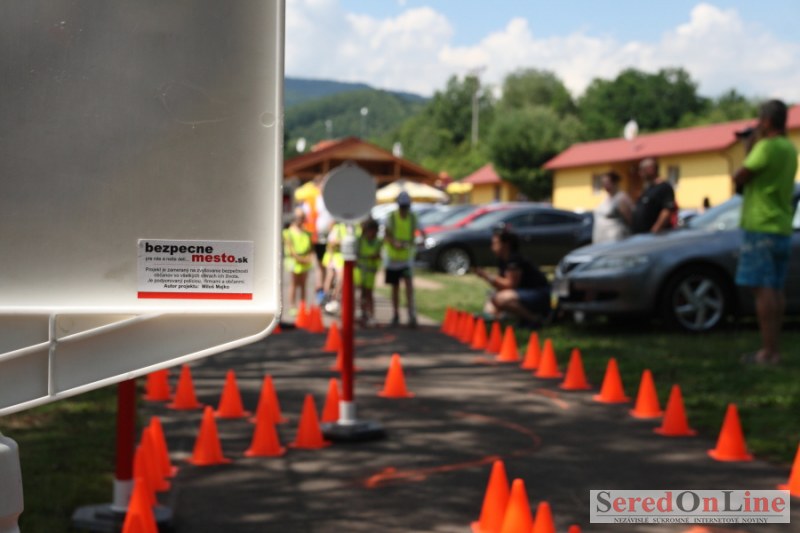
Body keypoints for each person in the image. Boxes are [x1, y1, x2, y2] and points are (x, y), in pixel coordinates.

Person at [732, 99, 798, 365]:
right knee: (776, 289)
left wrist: (749, 147)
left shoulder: (766, 147)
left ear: (768, 121)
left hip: (761, 225)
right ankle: (774, 348)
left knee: (762, 289)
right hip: (781, 225)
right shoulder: (790, 148)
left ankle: (768, 352)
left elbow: (740, 176)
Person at [474, 226, 551, 327]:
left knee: (500, 298)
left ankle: (534, 319)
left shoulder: (514, 260)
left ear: (506, 244)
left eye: (495, 243)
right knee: (493, 299)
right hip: (524, 293)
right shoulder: (503, 260)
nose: (492, 247)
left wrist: (487, 276)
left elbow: (510, 285)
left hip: (539, 293)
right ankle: (495, 319)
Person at [384, 191, 424, 327]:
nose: (404, 210)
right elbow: (386, 235)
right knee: (395, 287)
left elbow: (422, 232)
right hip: (393, 259)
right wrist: (394, 243)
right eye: (402, 207)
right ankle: (395, 314)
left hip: (406, 259)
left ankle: (411, 315)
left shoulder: (413, 218)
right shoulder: (391, 217)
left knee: (409, 287)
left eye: (405, 207)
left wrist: (422, 240)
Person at [282, 207, 314, 317]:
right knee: (294, 284)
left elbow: (310, 248)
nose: (301, 220)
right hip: (295, 261)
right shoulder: (288, 232)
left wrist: (308, 258)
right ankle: (292, 306)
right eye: (299, 217)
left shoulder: (306, 232)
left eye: (303, 217)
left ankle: (303, 306)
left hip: (304, 261)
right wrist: (301, 259)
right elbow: (291, 250)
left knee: (303, 284)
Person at [631, 158, 676, 234]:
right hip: (642, 234)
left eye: (642, 170)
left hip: (655, 236)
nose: (640, 173)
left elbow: (667, 210)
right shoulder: (648, 188)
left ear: (650, 169)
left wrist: (656, 229)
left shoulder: (664, 187)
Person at [592, 170, 634, 243]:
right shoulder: (606, 198)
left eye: (607, 182)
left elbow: (630, 220)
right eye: (603, 183)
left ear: (614, 183)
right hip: (602, 239)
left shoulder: (621, 198)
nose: (605, 185)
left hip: (615, 239)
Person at [355, 218, 382, 327]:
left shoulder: (378, 242)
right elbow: (356, 255)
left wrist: (375, 256)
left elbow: (379, 255)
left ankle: (371, 315)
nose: (372, 233)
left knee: (369, 293)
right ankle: (363, 313)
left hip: (371, 272)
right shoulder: (360, 240)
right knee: (362, 293)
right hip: (360, 271)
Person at [322, 221, 347, 314]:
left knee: (340, 280)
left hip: (342, 258)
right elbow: (332, 243)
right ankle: (327, 299)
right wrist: (341, 242)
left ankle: (335, 299)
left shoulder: (350, 228)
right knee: (330, 278)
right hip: (333, 257)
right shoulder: (337, 228)